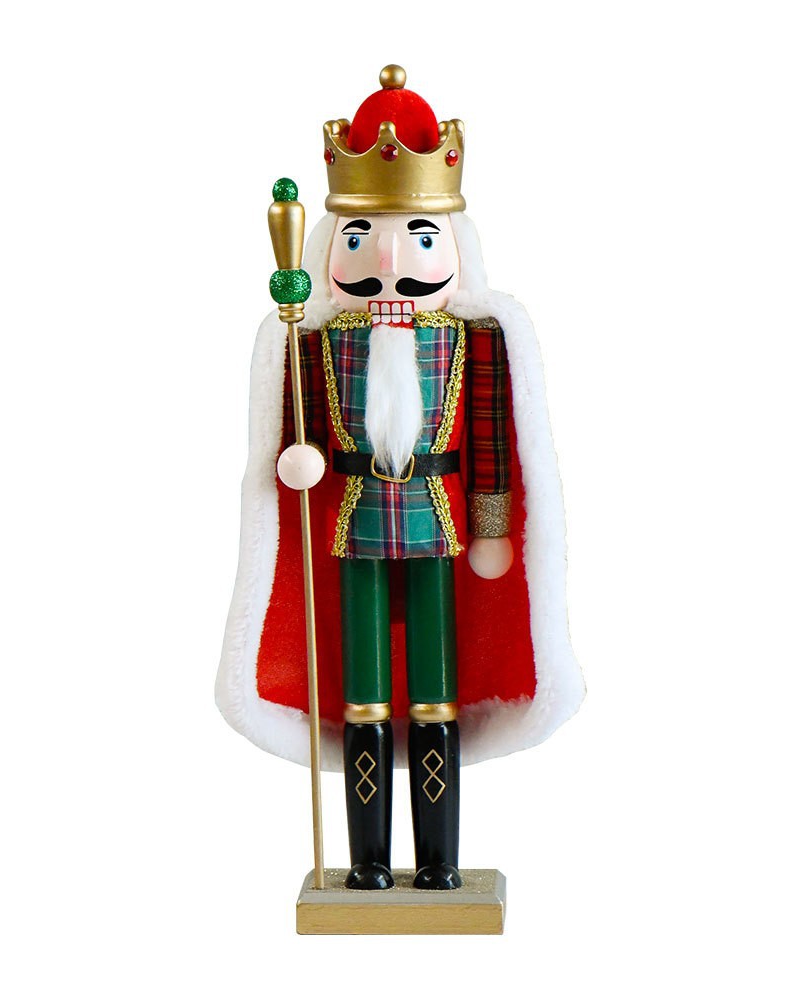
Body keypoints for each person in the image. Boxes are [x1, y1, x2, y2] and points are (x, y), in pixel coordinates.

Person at [217, 65, 585, 890]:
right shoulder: (316, 340)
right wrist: (298, 458)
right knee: (365, 696)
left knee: (435, 694)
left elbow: (491, 441)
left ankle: (440, 862)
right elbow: (296, 432)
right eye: (361, 237)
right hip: (352, 529)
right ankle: (369, 863)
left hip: (440, 526)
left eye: (418, 236)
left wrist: (491, 528)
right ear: (332, 245)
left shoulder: (472, 340)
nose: (388, 255)